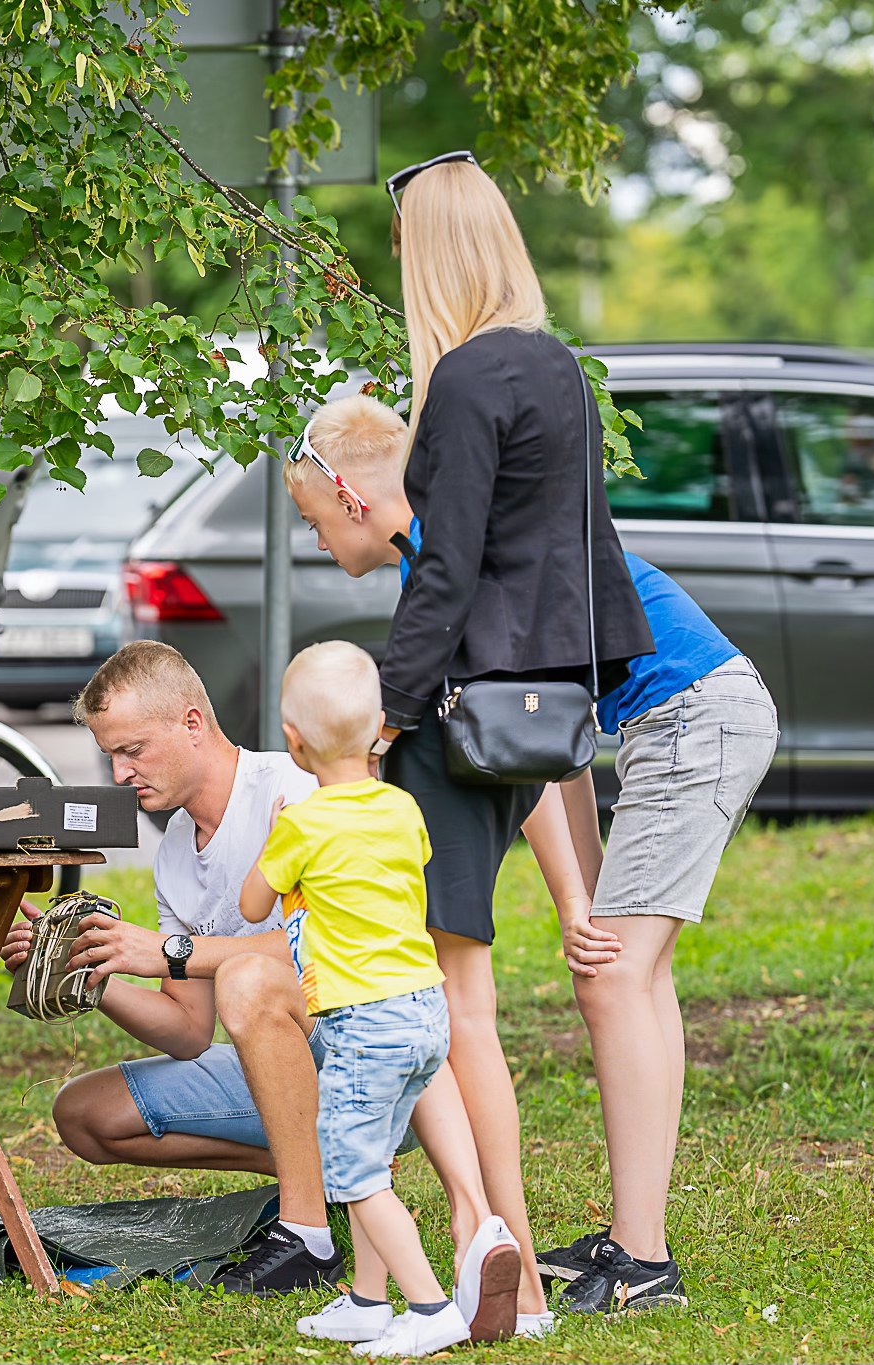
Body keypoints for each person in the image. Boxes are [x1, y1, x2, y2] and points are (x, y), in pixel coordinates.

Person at [0, 643, 518, 1333]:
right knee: (81, 1112)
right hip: (276, 1060)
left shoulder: (294, 789)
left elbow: (345, 940)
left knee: (246, 976)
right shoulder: (175, 854)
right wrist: (97, 972)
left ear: (191, 722)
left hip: (368, 1052)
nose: (120, 772)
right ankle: (341, 1168)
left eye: (132, 749)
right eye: (110, 755)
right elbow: (187, 1031)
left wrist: (170, 951)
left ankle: (306, 1232)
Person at [368, 153, 654, 1323]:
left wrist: (387, 703)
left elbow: (448, 562)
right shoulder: (553, 369)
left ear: (426, 251)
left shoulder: (469, 377)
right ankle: (482, 1258)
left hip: (456, 710)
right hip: (536, 719)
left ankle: (508, 1265)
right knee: (456, 995)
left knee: (449, 1004)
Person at [521, 569, 778, 1313]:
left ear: (352, 497)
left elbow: (527, 741)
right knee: (635, 974)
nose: (315, 538)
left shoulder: (460, 552)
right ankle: (638, 1242)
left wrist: (576, 899)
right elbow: (557, 734)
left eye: (314, 518)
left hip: (690, 718)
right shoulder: (491, 528)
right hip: (695, 711)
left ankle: (641, 1260)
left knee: (612, 978)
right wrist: (588, 891)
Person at [239, 641, 467, 1357]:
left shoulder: (302, 823)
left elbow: (252, 906)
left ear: (294, 741)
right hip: (425, 1011)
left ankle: (430, 1307)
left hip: (365, 1022)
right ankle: (369, 1301)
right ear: (377, 732)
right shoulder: (402, 808)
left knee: (355, 1173)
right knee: (377, 1159)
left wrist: (278, 834)